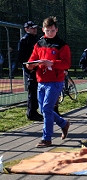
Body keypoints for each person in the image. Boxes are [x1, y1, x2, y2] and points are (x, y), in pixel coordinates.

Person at [26, 16, 71, 148]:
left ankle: (47, 138)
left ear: (56, 30)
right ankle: (63, 123)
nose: (49, 33)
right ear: (43, 30)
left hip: (55, 81)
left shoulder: (62, 45)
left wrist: (52, 63)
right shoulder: (39, 44)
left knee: (46, 108)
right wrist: (31, 65)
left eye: (52, 30)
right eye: (47, 30)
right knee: (44, 109)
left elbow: (66, 63)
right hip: (41, 81)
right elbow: (32, 59)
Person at [16, 21, 42, 121]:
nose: (35, 29)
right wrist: (29, 67)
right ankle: (31, 113)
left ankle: (35, 111)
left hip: (37, 68)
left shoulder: (36, 39)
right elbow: (21, 57)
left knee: (36, 90)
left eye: (35, 28)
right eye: (32, 28)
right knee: (33, 90)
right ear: (26, 29)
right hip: (31, 69)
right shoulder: (24, 40)